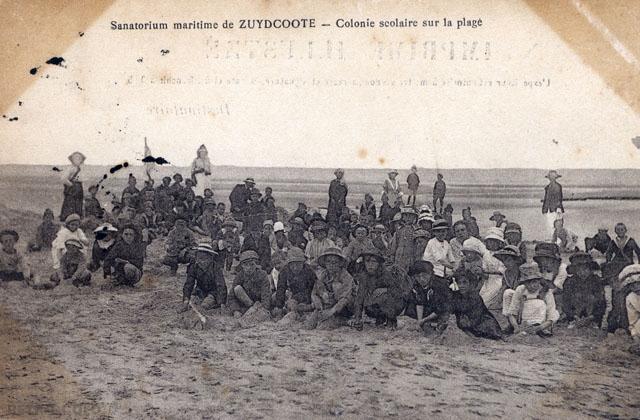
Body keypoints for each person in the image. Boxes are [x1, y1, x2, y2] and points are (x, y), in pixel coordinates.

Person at [350, 246, 408, 330]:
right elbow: (360, 297)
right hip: (376, 304)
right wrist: (357, 319)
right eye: (367, 261)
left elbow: (399, 291)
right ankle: (380, 318)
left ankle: (391, 320)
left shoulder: (386, 274)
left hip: (394, 304)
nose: (370, 264)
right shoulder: (364, 276)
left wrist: (386, 289)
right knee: (368, 304)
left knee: (385, 297)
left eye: (374, 261)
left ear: (379, 263)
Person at [505, 263, 559, 336]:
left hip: (540, 322)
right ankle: (515, 327)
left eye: (534, 282)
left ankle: (541, 330)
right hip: (524, 320)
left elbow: (551, 315)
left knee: (553, 312)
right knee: (508, 293)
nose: (531, 285)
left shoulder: (546, 292)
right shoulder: (521, 289)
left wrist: (540, 327)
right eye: (528, 283)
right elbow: (512, 311)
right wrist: (516, 327)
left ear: (539, 281)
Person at [307, 247, 355, 329]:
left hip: (346, 308)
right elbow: (315, 292)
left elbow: (345, 299)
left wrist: (331, 312)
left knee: (324, 327)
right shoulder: (323, 275)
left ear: (340, 263)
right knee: (310, 324)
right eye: (328, 262)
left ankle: (344, 321)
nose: (331, 265)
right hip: (329, 304)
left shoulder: (346, 276)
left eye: (334, 262)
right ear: (325, 263)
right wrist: (317, 302)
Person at [449, 269, 504, 340]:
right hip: (466, 322)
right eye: (459, 283)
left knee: (490, 330)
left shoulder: (475, 296)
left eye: (465, 283)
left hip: (481, 322)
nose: (462, 286)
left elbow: (477, 315)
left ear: (470, 283)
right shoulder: (456, 295)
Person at [405, 261, 452, 335]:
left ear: (431, 274)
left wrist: (424, 320)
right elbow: (419, 303)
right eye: (418, 276)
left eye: (424, 275)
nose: (421, 279)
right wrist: (420, 321)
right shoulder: (417, 285)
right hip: (428, 309)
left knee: (443, 317)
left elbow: (440, 308)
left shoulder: (440, 285)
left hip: (441, 310)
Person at [177, 242, 226, 313]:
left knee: (204, 306)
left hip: (213, 292)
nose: (201, 262)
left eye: (204, 259)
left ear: (210, 258)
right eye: (199, 258)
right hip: (200, 291)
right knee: (191, 304)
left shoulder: (216, 268)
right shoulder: (193, 266)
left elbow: (221, 286)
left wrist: (222, 303)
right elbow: (189, 284)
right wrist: (186, 300)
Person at [563, 252, 606, 328]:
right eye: (578, 269)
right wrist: (574, 316)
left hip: (593, 317)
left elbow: (602, 304)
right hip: (575, 317)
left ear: (590, 269)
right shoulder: (569, 282)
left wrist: (591, 318)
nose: (582, 272)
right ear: (574, 270)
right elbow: (566, 303)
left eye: (585, 269)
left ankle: (593, 322)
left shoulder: (596, 281)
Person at [273, 248, 317, 318]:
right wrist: (279, 306)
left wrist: (297, 299)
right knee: (274, 298)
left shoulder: (309, 271)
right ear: (288, 264)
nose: (295, 268)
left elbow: (313, 289)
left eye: (298, 264)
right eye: (292, 265)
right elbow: (281, 289)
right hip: (293, 294)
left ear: (303, 263)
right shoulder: (284, 271)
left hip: (308, 296)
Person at [227, 250, 273, 317]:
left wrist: (264, 309)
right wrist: (235, 310)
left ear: (256, 265)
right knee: (237, 289)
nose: (249, 268)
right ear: (242, 265)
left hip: (259, 303)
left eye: (252, 264)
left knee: (270, 292)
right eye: (246, 265)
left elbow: (265, 294)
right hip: (246, 304)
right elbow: (231, 296)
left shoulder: (262, 275)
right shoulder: (239, 276)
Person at [388, 206, 418, 271]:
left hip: (410, 256)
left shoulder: (416, 231)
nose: (408, 218)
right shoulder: (399, 231)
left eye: (410, 216)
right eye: (406, 215)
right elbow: (394, 246)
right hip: (399, 257)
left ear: (414, 218)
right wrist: (392, 257)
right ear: (403, 217)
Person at [60, 151, 86, 221]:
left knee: (78, 204)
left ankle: (77, 219)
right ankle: (68, 219)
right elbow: (63, 179)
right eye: (75, 158)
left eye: (79, 158)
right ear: (72, 160)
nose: (77, 160)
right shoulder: (70, 168)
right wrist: (72, 185)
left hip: (79, 189)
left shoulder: (80, 169)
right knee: (70, 204)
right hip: (73, 189)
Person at [619, 266, 640, 341]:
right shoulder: (630, 298)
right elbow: (633, 321)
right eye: (632, 285)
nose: (637, 287)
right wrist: (635, 336)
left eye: (639, 283)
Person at [542, 170, 564, 239]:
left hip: (555, 209)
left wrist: (545, 209)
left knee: (554, 225)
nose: (551, 179)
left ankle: (555, 241)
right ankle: (555, 240)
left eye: (552, 178)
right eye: (551, 178)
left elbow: (557, 199)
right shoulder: (551, 187)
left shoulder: (554, 187)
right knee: (553, 225)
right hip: (554, 209)